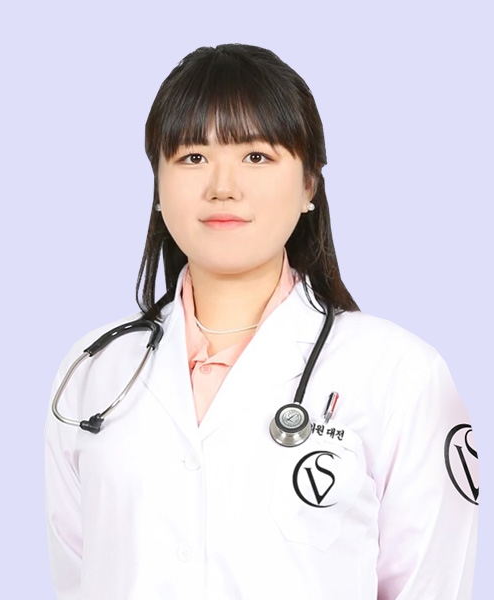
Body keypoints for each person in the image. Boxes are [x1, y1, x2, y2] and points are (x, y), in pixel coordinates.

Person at [45, 44, 478, 599]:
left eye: (256, 156)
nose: (222, 186)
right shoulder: (93, 373)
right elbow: (78, 577)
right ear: (157, 185)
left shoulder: (399, 373)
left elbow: (432, 584)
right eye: (192, 157)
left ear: (309, 186)